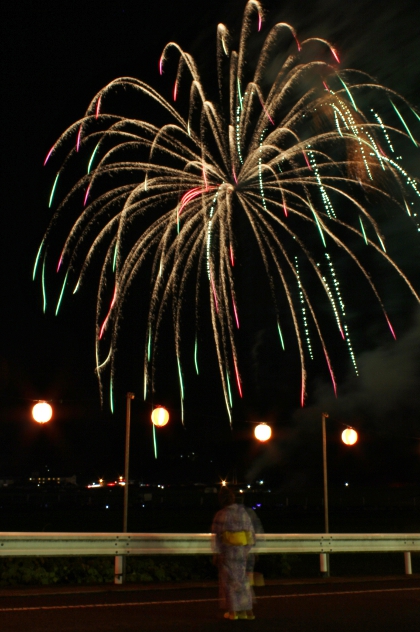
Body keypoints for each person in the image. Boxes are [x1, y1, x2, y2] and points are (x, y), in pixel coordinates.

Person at [211, 487, 256, 620]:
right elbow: (250, 533)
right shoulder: (243, 513)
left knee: (229, 582)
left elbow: (217, 536)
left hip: (227, 551)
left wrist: (217, 553)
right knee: (242, 580)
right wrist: (245, 549)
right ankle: (247, 612)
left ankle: (233, 612)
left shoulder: (221, 514)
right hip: (241, 551)